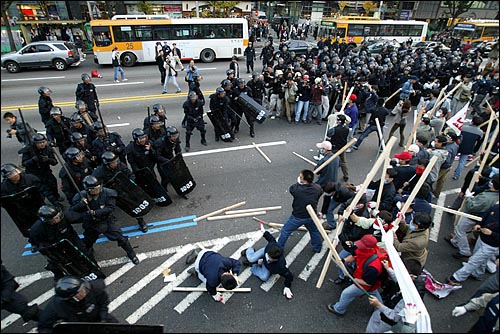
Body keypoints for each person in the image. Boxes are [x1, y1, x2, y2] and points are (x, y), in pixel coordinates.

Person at [69, 175, 140, 264]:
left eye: (98, 187)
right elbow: (72, 211)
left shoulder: (108, 193)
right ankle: (89, 255)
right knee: (88, 241)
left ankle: (131, 253)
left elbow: (110, 208)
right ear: (88, 190)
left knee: (121, 238)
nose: (97, 190)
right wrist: (81, 204)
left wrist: (96, 212)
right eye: (94, 189)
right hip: (91, 223)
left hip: (106, 220)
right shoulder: (81, 196)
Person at [29, 205, 92, 279]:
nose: (57, 219)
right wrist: (43, 247)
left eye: (58, 216)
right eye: (54, 218)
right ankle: (58, 275)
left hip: (70, 239)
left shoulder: (65, 216)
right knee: (55, 262)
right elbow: (35, 242)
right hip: (53, 245)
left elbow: (81, 217)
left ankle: (93, 267)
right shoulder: (36, 229)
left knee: (84, 251)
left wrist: (92, 216)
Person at [327, 234, 384, 316]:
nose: (359, 246)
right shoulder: (366, 250)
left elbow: (368, 283)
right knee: (373, 293)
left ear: (369, 248)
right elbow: (355, 256)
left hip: (364, 283)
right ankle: (381, 310)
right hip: (366, 279)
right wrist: (344, 260)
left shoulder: (373, 267)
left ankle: (338, 309)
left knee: (346, 294)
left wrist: (355, 279)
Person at [445, 174, 499, 260]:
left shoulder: (486, 197)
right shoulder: (495, 196)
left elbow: (472, 206)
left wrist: (469, 197)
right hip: (480, 218)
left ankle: (464, 251)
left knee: (460, 230)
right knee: (462, 230)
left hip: (472, 216)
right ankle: (455, 241)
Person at [93, 151, 149, 233]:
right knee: (109, 208)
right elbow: (97, 186)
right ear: (107, 164)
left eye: (116, 161)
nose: (116, 163)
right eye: (113, 162)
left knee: (134, 204)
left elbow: (130, 174)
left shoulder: (120, 165)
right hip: (110, 192)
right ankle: (111, 225)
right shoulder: (98, 173)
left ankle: (141, 221)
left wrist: (131, 183)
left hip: (123, 189)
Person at [37, 276, 118, 333]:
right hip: (79, 328)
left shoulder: (93, 288)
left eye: (83, 288)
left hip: (99, 320)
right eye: (80, 292)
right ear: (71, 299)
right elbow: (44, 326)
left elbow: (103, 302)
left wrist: (103, 318)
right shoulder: (56, 307)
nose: (84, 291)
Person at [446, 203, 498, 286]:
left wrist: (491, 233)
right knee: (480, 260)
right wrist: (479, 224)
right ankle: (478, 274)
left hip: (491, 245)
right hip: (482, 238)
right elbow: (485, 215)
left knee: (474, 261)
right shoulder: (496, 207)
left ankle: (456, 278)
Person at [277, 169, 324, 253]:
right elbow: (319, 191)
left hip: (298, 216)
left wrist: (299, 183)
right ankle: (317, 248)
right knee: (314, 231)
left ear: (303, 179)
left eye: (300, 177)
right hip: (311, 215)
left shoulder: (297, 189)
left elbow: (292, 189)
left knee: (285, 231)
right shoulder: (317, 188)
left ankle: (279, 249)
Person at [241, 230, 294, 300]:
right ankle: (249, 250)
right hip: (264, 253)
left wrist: (287, 287)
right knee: (251, 258)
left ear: (276, 259)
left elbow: (289, 276)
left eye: (270, 258)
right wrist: (264, 232)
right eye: (268, 255)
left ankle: (254, 266)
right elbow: (271, 239)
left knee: (264, 277)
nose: (267, 257)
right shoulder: (272, 246)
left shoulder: (280, 266)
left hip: (268, 267)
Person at [21, 133, 63, 208]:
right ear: (35, 143)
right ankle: (52, 204)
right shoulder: (28, 150)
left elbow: (55, 162)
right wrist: (32, 160)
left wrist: (48, 159)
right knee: (43, 190)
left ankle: (56, 196)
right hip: (34, 173)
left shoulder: (48, 149)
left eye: (43, 142)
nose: (42, 144)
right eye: (39, 143)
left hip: (45, 171)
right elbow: (24, 163)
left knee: (53, 183)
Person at [452, 115, 484, 180]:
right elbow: (479, 142)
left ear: (472, 121)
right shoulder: (480, 132)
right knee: (462, 162)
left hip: (459, 146)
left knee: (451, 158)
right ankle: (456, 175)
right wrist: (474, 151)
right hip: (468, 148)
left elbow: (458, 136)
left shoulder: (463, 127)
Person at [154, 126, 182, 192]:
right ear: (169, 136)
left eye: (176, 135)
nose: (176, 137)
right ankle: (164, 189)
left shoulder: (175, 139)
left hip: (170, 158)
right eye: (173, 136)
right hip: (162, 162)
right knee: (165, 178)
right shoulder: (160, 143)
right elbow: (157, 156)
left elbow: (177, 149)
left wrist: (178, 157)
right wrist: (167, 161)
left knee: (175, 174)